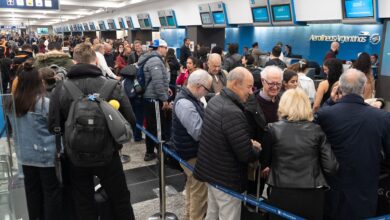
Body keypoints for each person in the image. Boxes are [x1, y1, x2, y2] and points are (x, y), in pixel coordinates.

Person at [48, 43, 136, 220]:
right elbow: (130, 120)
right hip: (109, 155)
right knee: (120, 199)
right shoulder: (112, 86)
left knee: (83, 202)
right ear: (96, 61)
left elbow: (53, 126)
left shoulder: (61, 89)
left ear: (74, 62)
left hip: (76, 157)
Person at [316, 68, 390, 219]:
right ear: (363, 88)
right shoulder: (381, 117)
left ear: (339, 89)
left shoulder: (326, 114)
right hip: (365, 192)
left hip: (331, 192)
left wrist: (330, 100)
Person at [194, 67, 261, 220]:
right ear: (236, 84)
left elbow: (220, 137)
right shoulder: (232, 112)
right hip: (227, 179)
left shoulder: (215, 100)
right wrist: (256, 148)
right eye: (249, 87)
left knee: (212, 213)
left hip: (212, 173)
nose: (251, 92)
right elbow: (245, 154)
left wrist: (243, 140)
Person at [262, 88, 338, 220]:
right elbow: (331, 166)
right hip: (313, 192)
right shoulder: (316, 130)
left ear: (283, 105)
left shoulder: (272, 129)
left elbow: (264, 161)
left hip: (281, 191)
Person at [8, 61, 63, 220]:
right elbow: (54, 128)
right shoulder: (44, 103)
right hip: (45, 156)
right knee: (51, 192)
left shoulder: (12, 102)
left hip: (24, 156)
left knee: (32, 192)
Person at [172, 69, 212, 220]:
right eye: (207, 89)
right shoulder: (186, 103)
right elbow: (199, 133)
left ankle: (188, 216)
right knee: (199, 193)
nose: (206, 93)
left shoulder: (188, 98)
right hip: (191, 154)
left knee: (191, 187)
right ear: (198, 86)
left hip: (187, 152)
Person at [138, 39, 170, 161]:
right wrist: (164, 99)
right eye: (165, 48)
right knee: (157, 127)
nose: (166, 51)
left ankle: (150, 152)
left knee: (151, 127)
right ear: (160, 47)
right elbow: (157, 82)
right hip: (154, 99)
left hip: (149, 98)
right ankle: (161, 154)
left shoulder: (150, 58)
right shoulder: (155, 60)